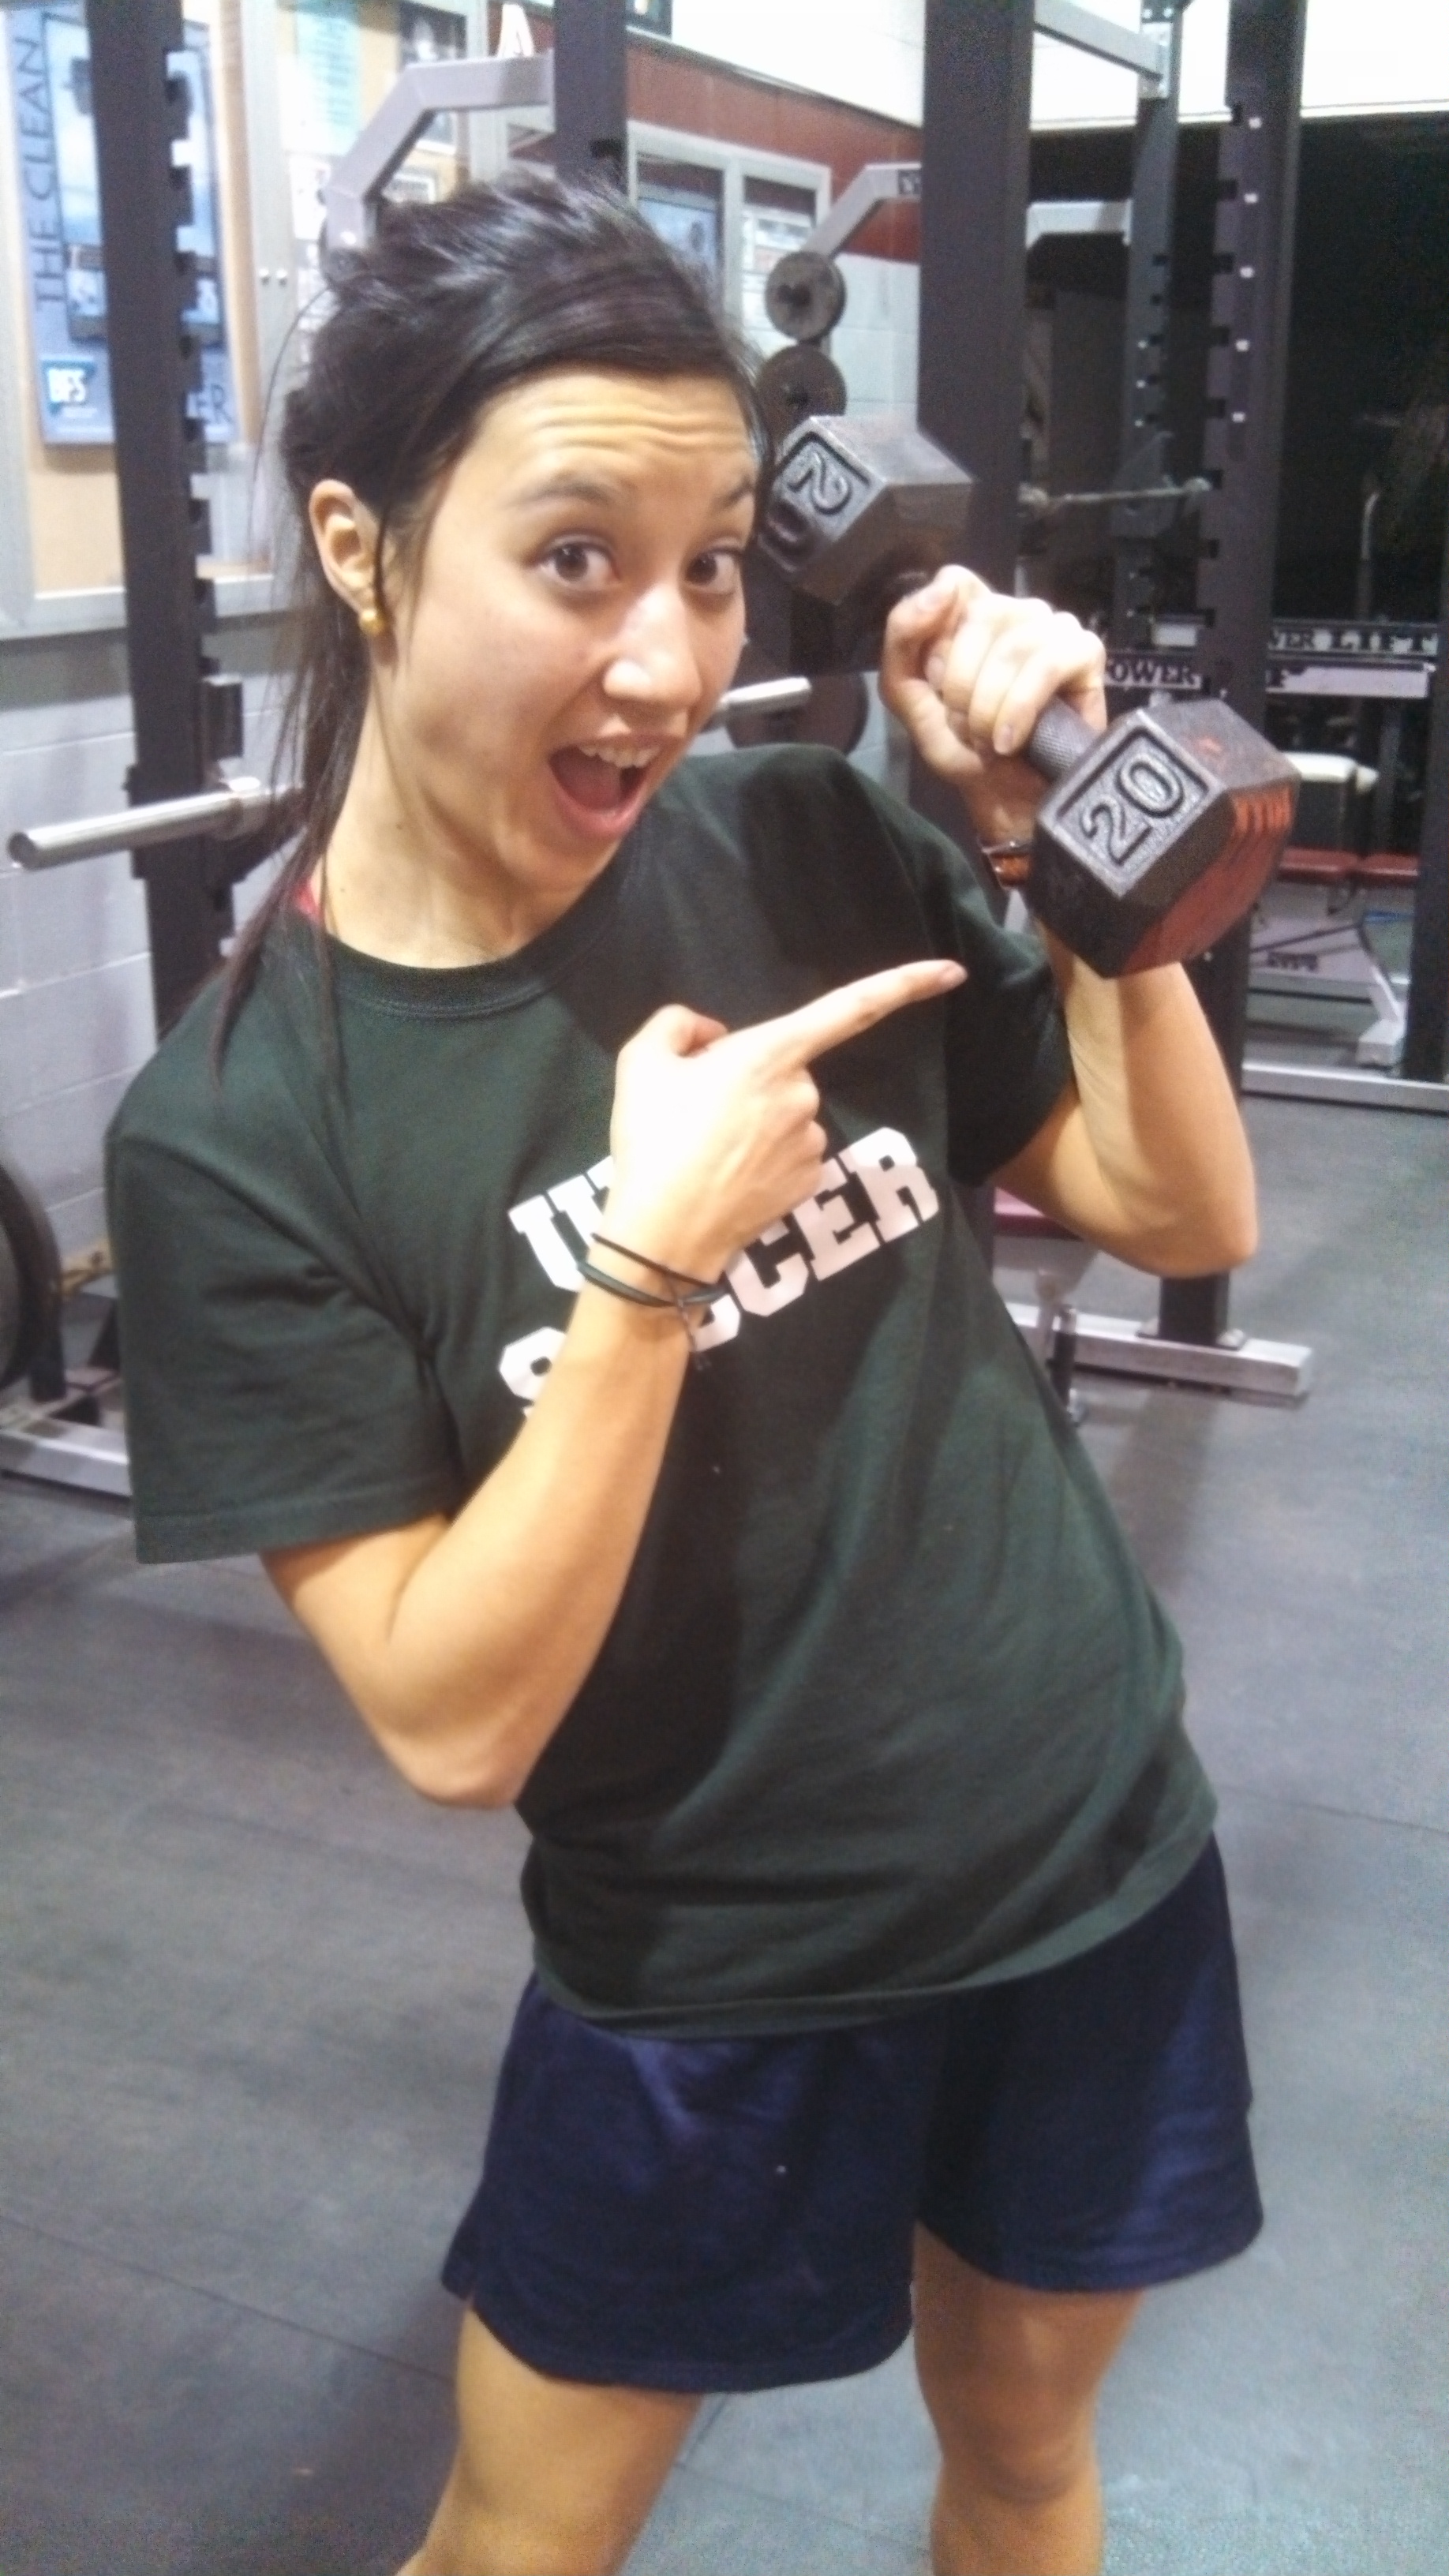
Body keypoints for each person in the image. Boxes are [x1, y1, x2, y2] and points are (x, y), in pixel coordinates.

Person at [107, 173, 1263, 2576]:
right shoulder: (242, 1131)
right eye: (576, 560)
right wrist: (642, 1271)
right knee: (516, 2545)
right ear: (361, 547)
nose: (661, 659)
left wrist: (1076, 857)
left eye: (715, 566)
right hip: (713, 1968)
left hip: (1086, 1846)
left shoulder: (804, 839)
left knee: (1026, 2459)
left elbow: (1179, 1214)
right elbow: (452, 1722)